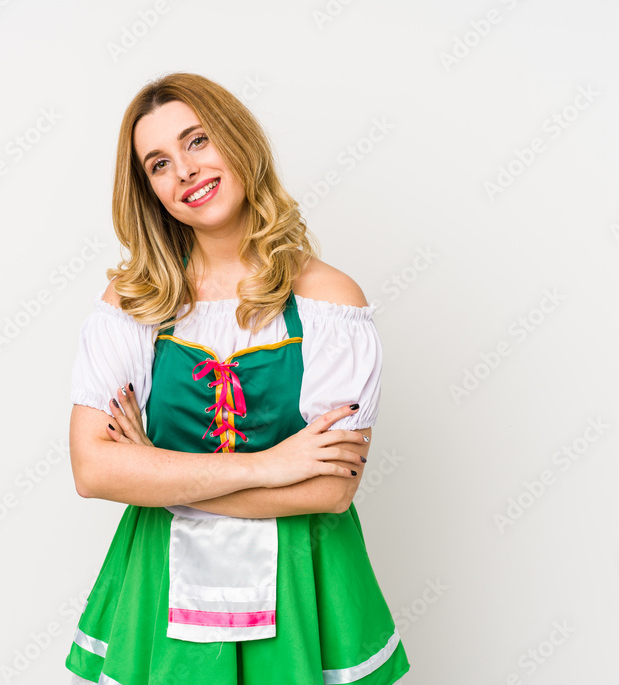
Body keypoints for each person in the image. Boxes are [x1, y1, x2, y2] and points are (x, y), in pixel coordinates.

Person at [64, 72, 410, 685]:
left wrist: (154, 472)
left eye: (198, 141)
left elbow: (329, 491)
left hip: (306, 587)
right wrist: (271, 465)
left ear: (238, 141)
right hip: (160, 589)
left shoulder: (330, 300)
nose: (185, 172)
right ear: (149, 190)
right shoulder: (135, 301)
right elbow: (94, 471)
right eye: (159, 164)